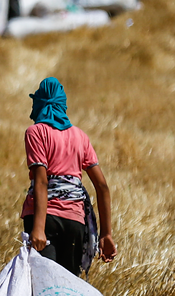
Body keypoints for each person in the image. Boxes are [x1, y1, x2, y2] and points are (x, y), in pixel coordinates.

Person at [21, 78, 115, 278]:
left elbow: (42, 181)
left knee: (43, 289)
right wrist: (106, 234)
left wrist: (38, 228)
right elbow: (102, 186)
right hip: (75, 221)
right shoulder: (80, 137)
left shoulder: (35, 133)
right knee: (68, 289)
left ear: (39, 103)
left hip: (45, 219)